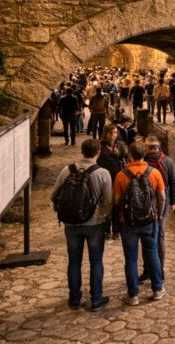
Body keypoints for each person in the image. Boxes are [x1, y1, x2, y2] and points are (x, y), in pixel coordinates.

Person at [50, 139, 112, 311]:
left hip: (71, 224)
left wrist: (63, 212)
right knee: (96, 261)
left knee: (74, 261)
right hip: (95, 224)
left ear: (82, 152)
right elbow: (108, 201)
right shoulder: (103, 173)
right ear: (98, 153)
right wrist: (104, 216)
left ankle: (75, 299)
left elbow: (53, 195)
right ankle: (96, 298)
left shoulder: (67, 170)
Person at [113, 141, 166, 305]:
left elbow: (115, 201)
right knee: (152, 254)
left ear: (130, 154)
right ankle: (157, 290)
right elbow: (162, 197)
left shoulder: (121, 175)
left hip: (128, 222)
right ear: (145, 154)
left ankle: (133, 295)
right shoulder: (154, 173)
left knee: (131, 258)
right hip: (150, 220)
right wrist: (158, 214)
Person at [139, 136, 175, 283]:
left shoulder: (143, 162)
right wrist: (172, 201)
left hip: (146, 201)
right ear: (159, 146)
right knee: (159, 235)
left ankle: (149, 270)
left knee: (147, 236)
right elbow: (174, 182)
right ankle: (159, 270)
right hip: (163, 199)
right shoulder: (167, 161)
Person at [98, 123, 128, 240]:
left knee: (117, 205)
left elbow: (125, 157)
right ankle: (107, 229)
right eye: (111, 133)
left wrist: (120, 154)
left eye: (115, 132)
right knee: (107, 205)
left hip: (117, 178)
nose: (114, 135)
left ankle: (116, 230)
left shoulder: (120, 145)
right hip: (105, 179)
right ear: (106, 134)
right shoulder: (100, 146)